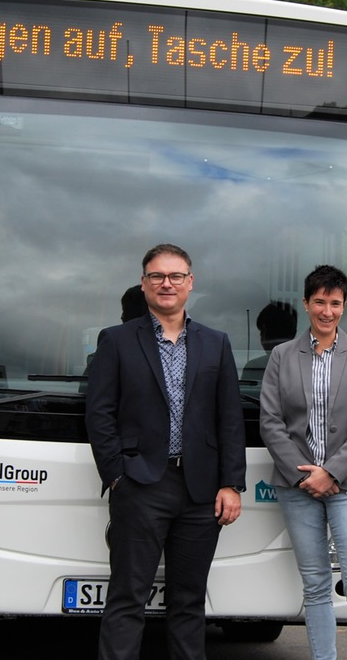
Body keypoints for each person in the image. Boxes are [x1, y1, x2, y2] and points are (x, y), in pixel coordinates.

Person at [85, 244, 246, 660]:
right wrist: (116, 475)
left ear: (190, 283)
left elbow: (230, 418)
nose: (166, 284)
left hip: (201, 491)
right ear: (144, 284)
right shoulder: (117, 341)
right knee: (127, 598)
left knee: (189, 603)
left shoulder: (216, 343)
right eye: (157, 276)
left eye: (176, 276)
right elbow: (99, 414)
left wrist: (231, 484)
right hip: (139, 485)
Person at [259, 265, 347, 660]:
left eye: (335, 303)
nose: (326, 311)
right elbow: (270, 422)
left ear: (344, 306)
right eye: (319, 302)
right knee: (315, 586)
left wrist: (331, 472)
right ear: (305, 303)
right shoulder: (282, 356)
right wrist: (306, 476)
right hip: (297, 486)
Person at [241, 300, 298, 383]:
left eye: (260, 332)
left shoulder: (254, 367)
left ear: (264, 331)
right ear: (294, 333)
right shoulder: (310, 364)